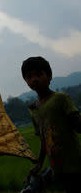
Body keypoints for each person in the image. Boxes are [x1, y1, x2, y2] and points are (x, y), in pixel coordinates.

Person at [23, 56, 81, 193]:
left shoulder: (61, 98)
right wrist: (39, 164)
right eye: (29, 77)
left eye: (38, 74)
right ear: (26, 81)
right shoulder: (33, 109)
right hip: (57, 167)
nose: (34, 79)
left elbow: (78, 126)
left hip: (75, 164)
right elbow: (44, 140)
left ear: (49, 76)